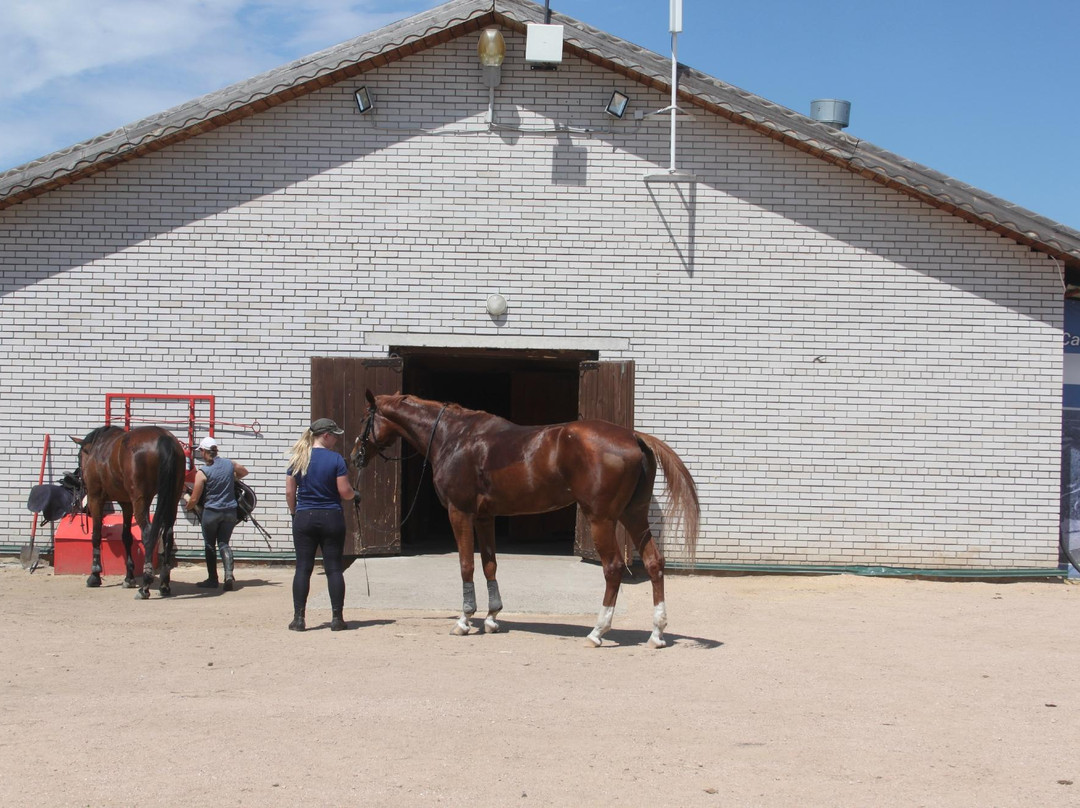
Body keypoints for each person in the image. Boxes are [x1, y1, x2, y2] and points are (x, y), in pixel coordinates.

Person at [285, 418, 355, 631]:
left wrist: (294, 512)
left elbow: (289, 491)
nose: (336, 439)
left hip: (304, 516)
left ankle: (298, 618)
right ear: (325, 435)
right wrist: (355, 495)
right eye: (335, 436)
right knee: (334, 568)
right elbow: (345, 492)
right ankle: (337, 618)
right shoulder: (336, 460)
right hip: (331, 516)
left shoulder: (298, 459)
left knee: (303, 568)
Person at [185, 436, 249, 591]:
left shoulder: (203, 472)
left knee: (209, 545)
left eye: (200, 450)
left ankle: (213, 579)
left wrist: (188, 505)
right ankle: (228, 575)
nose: (200, 453)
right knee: (224, 543)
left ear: (204, 452)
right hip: (230, 512)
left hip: (211, 513)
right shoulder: (229, 464)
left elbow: (195, 498)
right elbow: (244, 472)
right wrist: (232, 478)